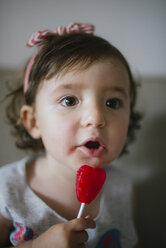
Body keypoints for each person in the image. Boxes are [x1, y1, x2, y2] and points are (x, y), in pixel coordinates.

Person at [0, 22, 142, 248]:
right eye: (69, 101)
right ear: (33, 122)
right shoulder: (7, 188)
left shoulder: (123, 189)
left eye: (112, 102)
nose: (96, 118)